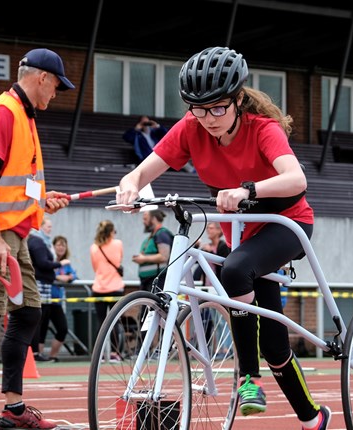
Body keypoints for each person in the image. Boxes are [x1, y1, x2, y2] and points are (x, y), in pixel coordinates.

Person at [114, 46, 328, 430]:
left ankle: (249, 379)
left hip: (285, 222)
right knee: (275, 344)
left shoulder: (263, 128)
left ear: (239, 100)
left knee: (234, 271)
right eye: (198, 108)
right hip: (243, 234)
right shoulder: (191, 127)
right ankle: (313, 419)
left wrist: (248, 190)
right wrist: (130, 187)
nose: (208, 118)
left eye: (218, 108)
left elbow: (297, 179)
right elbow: (141, 173)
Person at [0, 47, 73, 430]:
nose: (55, 94)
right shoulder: (3, 113)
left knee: (29, 313)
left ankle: (14, 409)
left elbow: (17, 183)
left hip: (14, 233)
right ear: (42, 78)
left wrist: (42, 202)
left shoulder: (24, 116)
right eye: (56, 86)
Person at [27, 217, 69, 362]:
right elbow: (43, 263)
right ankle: (35, 354)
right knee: (39, 320)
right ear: (41, 227)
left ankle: (38, 354)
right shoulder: (38, 242)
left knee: (42, 320)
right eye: (48, 226)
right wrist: (59, 264)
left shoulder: (39, 242)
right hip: (42, 286)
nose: (50, 229)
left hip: (47, 288)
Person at [89, 220, 125, 360]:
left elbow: (95, 268)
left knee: (101, 321)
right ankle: (115, 353)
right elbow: (119, 260)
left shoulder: (94, 247)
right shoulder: (118, 244)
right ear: (111, 232)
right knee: (115, 322)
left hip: (98, 287)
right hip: (115, 287)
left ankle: (99, 355)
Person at [39, 235, 77, 362]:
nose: (61, 248)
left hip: (57, 301)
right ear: (53, 246)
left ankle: (52, 356)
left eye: (63, 245)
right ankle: (38, 356)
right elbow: (47, 273)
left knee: (63, 328)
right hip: (44, 299)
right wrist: (59, 277)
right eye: (59, 245)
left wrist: (69, 277)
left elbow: (73, 275)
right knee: (41, 329)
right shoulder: (49, 259)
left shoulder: (67, 263)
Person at [132, 209, 173, 292]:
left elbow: (164, 257)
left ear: (154, 218)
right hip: (149, 281)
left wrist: (143, 259)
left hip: (157, 280)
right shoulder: (154, 235)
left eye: (145, 219)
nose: (143, 222)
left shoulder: (162, 234)